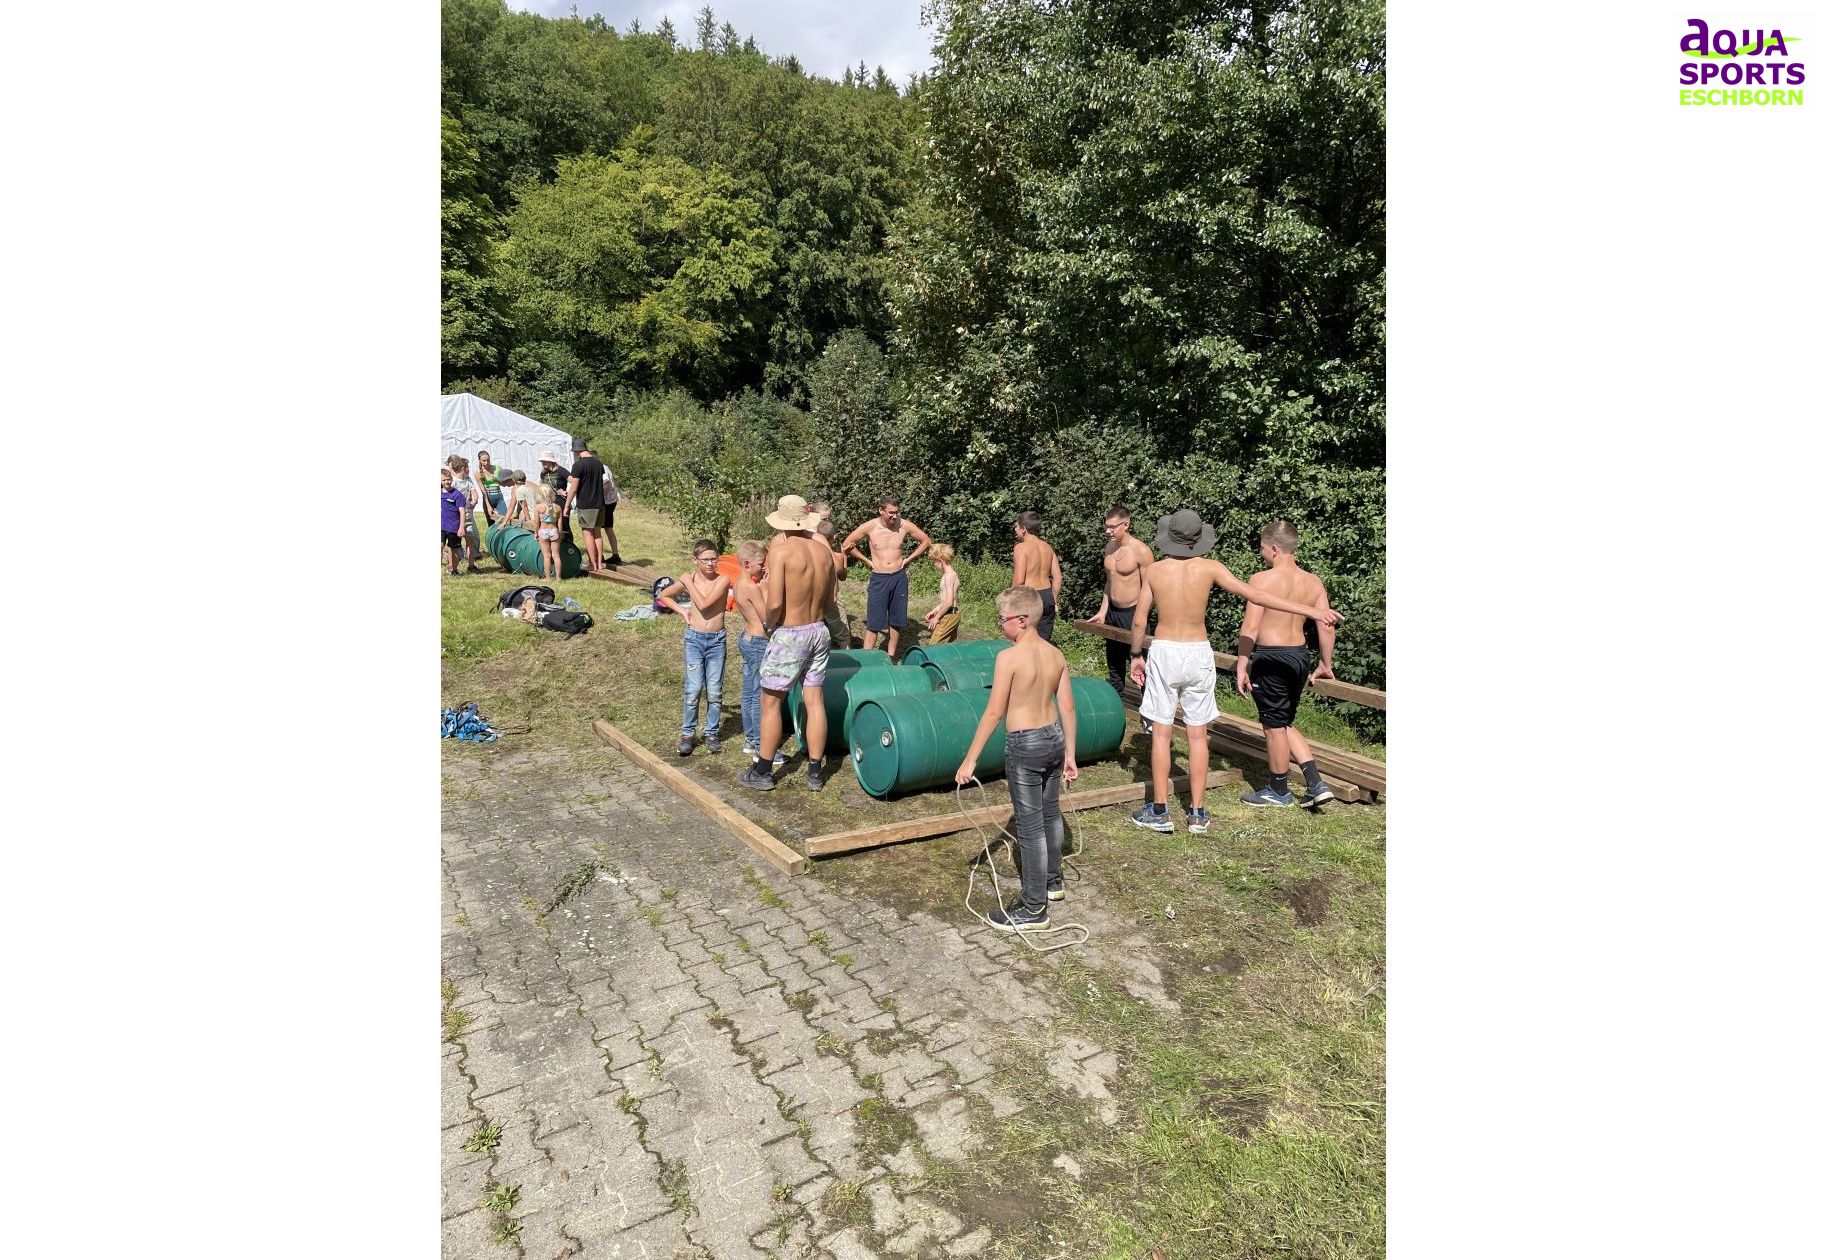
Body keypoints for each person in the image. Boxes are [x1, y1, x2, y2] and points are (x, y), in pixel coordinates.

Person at [1126, 509, 1341, 835]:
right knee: (1197, 733)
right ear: (1198, 539)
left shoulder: (1155, 570)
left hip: (1166, 650)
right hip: (1198, 651)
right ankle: (1197, 813)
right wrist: (1311, 610)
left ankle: (1160, 811)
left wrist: (1135, 655)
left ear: (1169, 537)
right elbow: (1256, 595)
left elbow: (1139, 620)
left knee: (1162, 732)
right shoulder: (1211, 567)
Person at [954, 587, 1080, 931]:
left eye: (1003, 620)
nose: (1000, 626)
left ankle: (1033, 908)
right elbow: (1068, 707)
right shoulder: (1055, 654)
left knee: (1030, 827)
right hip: (1054, 738)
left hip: (1026, 745)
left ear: (1022, 620)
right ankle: (1053, 882)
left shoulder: (1008, 658)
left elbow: (994, 711)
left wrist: (970, 760)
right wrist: (1070, 753)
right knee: (1051, 813)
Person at [1234, 520, 1338, 808]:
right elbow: (1326, 625)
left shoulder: (1261, 580)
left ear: (1274, 549)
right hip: (1299, 656)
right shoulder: (1313, 581)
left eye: (1262, 548)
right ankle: (1316, 783)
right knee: (1283, 721)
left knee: (1273, 726)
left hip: (1271, 656)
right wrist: (1325, 663)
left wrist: (1242, 664)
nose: (1261, 553)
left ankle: (1278, 790)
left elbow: (1250, 627)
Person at [739, 496, 837, 792]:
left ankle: (763, 771)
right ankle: (815, 772)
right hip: (819, 630)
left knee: (770, 702)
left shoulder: (781, 552)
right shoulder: (823, 551)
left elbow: (775, 603)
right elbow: (831, 600)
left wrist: (771, 625)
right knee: (814, 700)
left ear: (781, 522)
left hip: (791, 633)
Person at [658, 540, 731, 757]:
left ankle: (711, 732)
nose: (710, 563)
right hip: (694, 640)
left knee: (715, 689)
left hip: (716, 640)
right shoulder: (690, 579)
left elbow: (705, 603)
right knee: (694, 688)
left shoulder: (722, 580)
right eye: (705, 559)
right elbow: (663, 595)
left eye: (713, 559)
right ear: (695, 560)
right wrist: (682, 611)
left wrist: (688, 583)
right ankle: (688, 733)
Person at [841, 496, 931, 659]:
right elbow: (847, 544)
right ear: (881, 510)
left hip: (899, 577)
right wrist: (866, 561)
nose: (894, 516)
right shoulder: (870, 527)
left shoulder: (904, 525)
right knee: (874, 622)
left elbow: (925, 541)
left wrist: (909, 559)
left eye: (897, 512)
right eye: (891, 513)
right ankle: (866, 659)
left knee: (896, 621)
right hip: (879, 578)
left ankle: (891, 657)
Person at [1087, 506, 1155, 710]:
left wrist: (1140, 616)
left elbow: (1150, 589)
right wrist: (1102, 611)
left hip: (1134, 613)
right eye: (1106, 527)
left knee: (1141, 661)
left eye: (1112, 527)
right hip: (1113, 612)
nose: (1108, 531)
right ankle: (1114, 707)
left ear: (1126, 524)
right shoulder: (1109, 547)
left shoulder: (1141, 551)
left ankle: (1149, 710)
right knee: (1114, 662)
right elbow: (1110, 582)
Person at [733, 539, 771, 763]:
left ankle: (750, 739)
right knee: (759, 695)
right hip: (758, 642)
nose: (764, 567)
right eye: (761, 563)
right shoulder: (752, 587)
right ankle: (760, 745)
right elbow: (767, 618)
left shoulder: (739, 583)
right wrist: (765, 591)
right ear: (747, 564)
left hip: (747, 638)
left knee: (749, 691)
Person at [1010, 511, 1063, 641]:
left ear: (1023, 529)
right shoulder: (1047, 547)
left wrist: (1010, 600)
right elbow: (1058, 577)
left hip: (1029, 597)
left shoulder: (1021, 548)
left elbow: (1019, 580)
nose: (1015, 529)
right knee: (1042, 643)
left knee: (1023, 641)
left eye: (1016, 526)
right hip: (1047, 597)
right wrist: (1054, 600)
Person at [566, 439, 611, 574]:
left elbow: (574, 488)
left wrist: (567, 505)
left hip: (586, 504)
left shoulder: (578, 465)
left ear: (576, 451)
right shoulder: (598, 463)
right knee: (597, 534)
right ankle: (600, 563)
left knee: (587, 533)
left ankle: (592, 564)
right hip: (600, 503)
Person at [814, 517, 851, 650]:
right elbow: (842, 575)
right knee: (843, 636)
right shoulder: (835, 556)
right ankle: (847, 658)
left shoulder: (808, 552)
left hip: (812, 598)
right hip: (831, 598)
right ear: (833, 537)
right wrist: (844, 555)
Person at [447, 456, 484, 573]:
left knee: (470, 541)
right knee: (453, 545)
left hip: (467, 517)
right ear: (463, 468)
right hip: (456, 518)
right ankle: (451, 566)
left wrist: (474, 501)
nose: (469, 469)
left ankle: (471, 565)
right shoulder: (453, 482)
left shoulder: (468, 480)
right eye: (467, 467)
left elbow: (474, 493)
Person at [923, 544, 961, 644]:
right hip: (953, 613)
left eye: (934, 562)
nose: (934, 565)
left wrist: (936, 618)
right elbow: (948, 600)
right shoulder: (952, 574)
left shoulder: (948, 576)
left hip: (949, 616)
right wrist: (934, 610)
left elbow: (948, 602)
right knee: (947, 646)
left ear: (940, 561)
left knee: (933, 646)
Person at [538, 451, 573, 544]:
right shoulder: (543, 473)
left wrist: (567, 492)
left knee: (564, 525)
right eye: (542, 461)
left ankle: (569, 547)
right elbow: (541, 486)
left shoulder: (561, 471)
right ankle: (556, 545)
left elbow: (574, 482)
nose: (543, 463)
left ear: (551, 461)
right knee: (551, 526)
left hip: (561, 501)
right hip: (548, 503)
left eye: (545, 461)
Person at [439, 468, 468, 577]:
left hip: (453, 528)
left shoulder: (457, 495)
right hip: (441, 526)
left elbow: (462, 511)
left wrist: (461, 527)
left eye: (448, 479)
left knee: (453, 549)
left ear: (452, 479)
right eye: (444, 480)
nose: (447, 482)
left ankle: (454, 570)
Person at [533, 484, 562, 583]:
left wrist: (536, 532)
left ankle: (548, 578)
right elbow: (560, 523)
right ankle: (558, 577)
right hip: (554, 531)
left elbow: (536, 522)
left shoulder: (538, 507)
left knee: (546, 556)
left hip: (543, 531)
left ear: (540, 495)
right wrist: (560, 533)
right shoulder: (558, 507)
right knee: (556, 555)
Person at [476, 451, 505, 523]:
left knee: (504, 520)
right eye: (484, 461)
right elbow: (483, 491)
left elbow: (504, 484)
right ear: (479, 461)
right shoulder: (478, 473)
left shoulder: (498, 468)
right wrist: (488, 506)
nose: (486, 462)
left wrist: (496, 479)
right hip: (488, 499)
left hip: (499, 497)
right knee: (491, 523)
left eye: (488, 460)